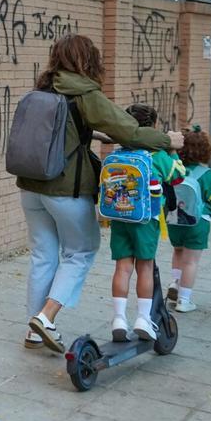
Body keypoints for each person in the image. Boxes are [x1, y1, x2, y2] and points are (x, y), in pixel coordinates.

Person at [17, 35, 184, 353]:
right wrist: (168, 140)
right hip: (64, 188)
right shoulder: (83, 92)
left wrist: (90, 132)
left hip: (30, 188)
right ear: (87, 61)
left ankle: (35, 330)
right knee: (81, 251)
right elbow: (129, 129)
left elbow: (64, 129)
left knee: (43, 256)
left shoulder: (43, 89)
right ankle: (47, 316)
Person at [108, 104, 185, 341]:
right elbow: (178, 176)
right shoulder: (158, 155)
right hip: (146, 220)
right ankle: (143, 318)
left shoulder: (119, 153)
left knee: (122, 267)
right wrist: (172, 151)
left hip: (120, 217)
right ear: (153, 127)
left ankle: (119, 319)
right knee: (145, 266)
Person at [166, 126, 211, 312]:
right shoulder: (208, 176)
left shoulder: (174, 170)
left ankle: (175, 281)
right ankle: (184, 300)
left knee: (178, 252)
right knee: (191, 261)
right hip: (197, 223)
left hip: (173, 221)